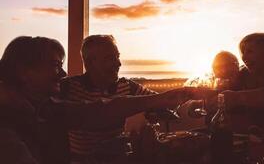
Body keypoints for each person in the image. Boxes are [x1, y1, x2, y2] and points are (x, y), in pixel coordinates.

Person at [0, 36, 195, 164]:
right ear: (24, 71)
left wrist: (172, 101)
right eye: (55, 65)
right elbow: (97, 112)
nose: (63, 73)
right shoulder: (9, 126)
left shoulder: (43, 107)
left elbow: (98, 111)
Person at [60, 35, 203, 162]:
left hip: (117, 157)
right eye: (110, 58)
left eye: (117, 56)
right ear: (90, 63)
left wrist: (193, 101)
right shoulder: (68, 87)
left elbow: (161, 102)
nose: (118, 63)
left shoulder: (127, 86)